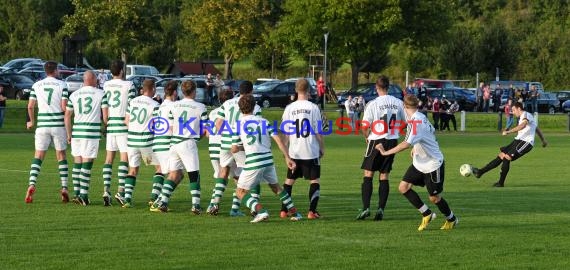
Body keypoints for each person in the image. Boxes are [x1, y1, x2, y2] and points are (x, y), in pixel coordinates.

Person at [376, 95, 459, 231]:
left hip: (433, 164)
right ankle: (427, 214)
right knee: (403, 187)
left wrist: (386, 152)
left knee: (434, 198)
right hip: (419, 163)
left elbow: (405, 144)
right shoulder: (419, 117)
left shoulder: (416, 121)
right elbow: (428, 134)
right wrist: (416, 147)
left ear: (404, 107)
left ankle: (452, 219)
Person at [231, 94, 302, 223]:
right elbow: (279, 141)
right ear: (254, 107)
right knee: (276, 188)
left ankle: (261, 211)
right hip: (268, 159)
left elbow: (234, 148)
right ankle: (295, 213)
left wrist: (241, 148)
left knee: (240, 192)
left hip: (254, 160)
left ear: (240, 108)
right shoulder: (264, 121)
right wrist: (287, 157)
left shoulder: (238, 124)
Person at [150, 80, 207, 213]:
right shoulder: (200, 107)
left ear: (182, 91)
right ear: (194, 91)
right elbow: (204, 130)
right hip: (188, 142)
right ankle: (196, 205)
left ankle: (163, 202)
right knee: (193, 174)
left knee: (174, 173)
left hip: (174, 143)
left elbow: (170, 127)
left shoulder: (174, 106)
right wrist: (197, 138)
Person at [206, 81, 262, 216]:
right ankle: (247, 208)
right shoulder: (255, 106)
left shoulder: (227, 103)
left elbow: (218, 124)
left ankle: (214, 204)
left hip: (225, 144)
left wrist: (227, 136)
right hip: (242, 146)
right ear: (251, 91)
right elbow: (255, 128)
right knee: (250, 175)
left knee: (223, 172)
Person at [356, 75, 406, 221]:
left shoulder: (372, 104)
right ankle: (381, 209)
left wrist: (366, 136)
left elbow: (364, 126)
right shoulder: (398, 102)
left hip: (375, 140)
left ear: (376, 88)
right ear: (388, 87)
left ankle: (366, 208)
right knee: (384, 175)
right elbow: (407, 121)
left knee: (368, 174)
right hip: (391, 141)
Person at [470, 101, 548, 187]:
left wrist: (509, 131)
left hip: (526, 142)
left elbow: (523, 125)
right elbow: (536, 128)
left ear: (519, 108)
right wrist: (543, 140)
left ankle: (500, 183)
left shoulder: (526, 115)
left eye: (514, 110)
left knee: (507, 158)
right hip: (518, 140)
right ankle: (480, 172)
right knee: (501, 156)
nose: (513, 112)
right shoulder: (523, 116)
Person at [25, 61, 70, 203]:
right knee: (61, 155)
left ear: (45, 71)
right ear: (55, 70)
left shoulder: (36, 85)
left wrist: (31, 121)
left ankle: (31, 184)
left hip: (42, 125)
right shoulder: (62, 85)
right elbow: (64, 107)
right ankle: (64, 187)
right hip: (57, 125)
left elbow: (30, 106)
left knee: (38, 156)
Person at [280, 78, 325, 219]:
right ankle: (312, 211)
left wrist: (286, 153)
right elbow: (318, 131)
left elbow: (285, 133)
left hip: (294, 151)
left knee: (289, 180)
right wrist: (322, 147)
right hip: (310, 150)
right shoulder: (313, 108)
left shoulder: (289, 108)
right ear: (309, 90)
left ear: (296, 89)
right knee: (314, 180)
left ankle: (284, 210)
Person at [64, 71, 105, 205]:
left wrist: (69, 134)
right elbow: (105, 117)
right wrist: (106, 125)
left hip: (77, 132)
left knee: (77, 163)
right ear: (92, 79)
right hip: (91, 132)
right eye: (96, 78)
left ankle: (77, 193)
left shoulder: (74, 94)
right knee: (87, 164)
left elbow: (67, 116)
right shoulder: (100, 94)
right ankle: (84, 196)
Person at [101, 60, 137, 206]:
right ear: (122, 71)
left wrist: (106, 120)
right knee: (124, 159)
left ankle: (106, 190)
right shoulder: (129, 85)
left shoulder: (106, 85)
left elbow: (104, 104)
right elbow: (132, 105)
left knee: (109, 159)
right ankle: (121, 190)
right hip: (123, 124)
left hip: (111, 124)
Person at [204, 89, 245, 217]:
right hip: (230, 144)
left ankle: (213, 204)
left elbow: (209, 133)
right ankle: (235, 208)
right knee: (239, 178)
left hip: (214, 149)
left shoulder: (213, 113)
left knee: (221, 175)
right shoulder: (237, 106)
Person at [123, 79, 160, 208]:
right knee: (159, 168)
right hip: (146, 142)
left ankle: (127, 199)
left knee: (132, 170)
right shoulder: (155, 105)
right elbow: (157, 125)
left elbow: (126, 121)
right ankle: (153, 198)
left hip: (132, 141)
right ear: (153, 89)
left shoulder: (132, 102)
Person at [149, 80, 178, 205]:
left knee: (161, 170)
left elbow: (154, 124)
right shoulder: (174, 106)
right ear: (175, 92)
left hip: (156, 143)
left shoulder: (159, 107)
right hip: (167, 143)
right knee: (176, 174)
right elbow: (172, 128)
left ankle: (154, 197)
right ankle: (160, 200)